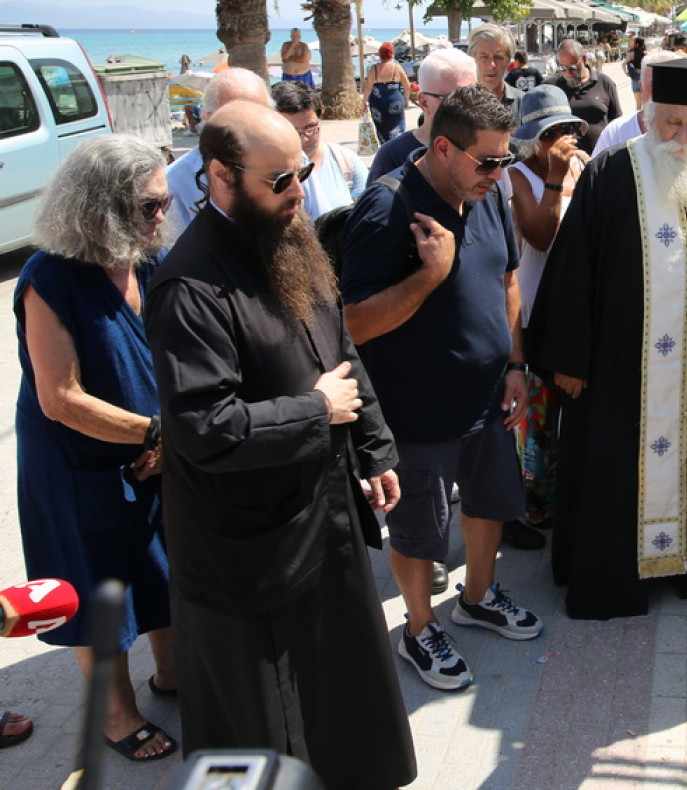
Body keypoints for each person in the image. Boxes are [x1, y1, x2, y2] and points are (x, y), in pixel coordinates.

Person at [145, 101, 415, 787]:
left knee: (341, 697)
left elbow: (340, 347)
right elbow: (203, 427)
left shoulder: (292, 235)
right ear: (220, 177)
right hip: (248, 547)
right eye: (279, 182)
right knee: (269, 717)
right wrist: (314, 411)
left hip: (323, 519)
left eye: (302, 174)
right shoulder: (188, 285)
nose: (298, 193)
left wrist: (375, 448)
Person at [529, 59, 687, 620]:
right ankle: (616, 576)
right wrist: (570, 358)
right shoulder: (611, 170)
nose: (683, 139)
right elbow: (574, 268)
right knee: (617, 467)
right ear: (650, 118)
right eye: (672, 125)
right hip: (621, 367)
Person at [340, 86, 544, 690]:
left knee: (489, 505)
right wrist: (431, 274)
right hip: (417, 411)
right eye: (487, 161)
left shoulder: (486, 193)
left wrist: (515, 365)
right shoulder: (385, 209)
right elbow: (353, 323)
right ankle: (419, 628)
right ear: (444, 147)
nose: (497, 172)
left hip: (487, 396)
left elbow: (508, 280)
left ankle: (477, 597)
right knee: (420, 531)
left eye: (505, 159)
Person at [15, 134, 178, 762]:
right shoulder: (49, 278)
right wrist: (159, 433)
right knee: (98, 586)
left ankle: (172, 673)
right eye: (148, 206)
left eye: (164, 202)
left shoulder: (148, 261)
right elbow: (61, 397)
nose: (162, 215)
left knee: (160, 565)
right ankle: (115, 715)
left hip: (150, 451)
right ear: (100, 207)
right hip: (77, 463)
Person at [506, 86, 588, 537]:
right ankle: (536, 502)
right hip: (535, 310)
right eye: (548, 133)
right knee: (538, 418)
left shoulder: (585, 164)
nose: (559, 139)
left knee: (573, 411)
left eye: (565, 129)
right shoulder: (517, 177)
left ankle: (572, 492)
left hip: (573, 310)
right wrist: (555, 178)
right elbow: (538, 235)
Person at [166, 67, 269, 236]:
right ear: (207, 117)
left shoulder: (293, 163)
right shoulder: (175, 182)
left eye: (260, 113)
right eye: (236, 116)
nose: (249, 125)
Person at [369, 47, 476, 181]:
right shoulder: (393, 155)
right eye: (453, 99)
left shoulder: (482, 147)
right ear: (424, 103)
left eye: (472, 96)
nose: (465, 106)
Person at [270, 81, 367, 218]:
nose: (304, 139)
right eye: (292, 131)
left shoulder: (345, 161)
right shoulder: (264, 173)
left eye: (310, 128)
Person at [593, 49, 680, 152]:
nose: (663, 93)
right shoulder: (616, 133)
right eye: (655, 85)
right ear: (641, 87)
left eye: (671, 86)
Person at [546, 39, 622, 155]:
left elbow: (616, 122)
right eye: (562, 68)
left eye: (572, 68)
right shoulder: (551, 87)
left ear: (584, 59)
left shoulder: (605, 83)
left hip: (600, 158)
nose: (567, 73)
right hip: (565, 162)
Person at [469, 24, 525, 129]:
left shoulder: (524, 103)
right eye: (484, 57)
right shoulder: (460, 105)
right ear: (473, 57)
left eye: (498, 57)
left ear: (508, 60)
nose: (491, 65)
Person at [363, 41, 410, 144]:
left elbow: (368, 87)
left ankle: (385, 146)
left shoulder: (374, 68)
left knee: (382, 127)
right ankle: (397, 147)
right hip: (395, 100)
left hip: (378, 101)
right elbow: (407, 85)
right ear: (391, 54)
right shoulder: (397, 67)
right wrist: (406, 99)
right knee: (397, 125)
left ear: (380, 54)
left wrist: (364, 102)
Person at [627, 34, 647, 105]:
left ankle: (638, 116)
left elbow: (623, 64)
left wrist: (626, 72)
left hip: (635, 76)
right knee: (645, 103)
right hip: (644, 77)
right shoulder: (646, 54)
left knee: (638, 104)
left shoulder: (632, 53)